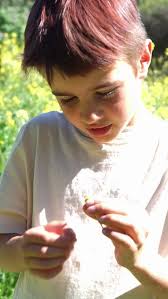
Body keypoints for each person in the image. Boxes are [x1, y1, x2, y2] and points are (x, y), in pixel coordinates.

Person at [0, 0, 168, 298]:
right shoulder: (39, 138)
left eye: (105, 92)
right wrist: (22, 252)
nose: (89, 115)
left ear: (143, 59)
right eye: (67, 99)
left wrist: (144, 261)